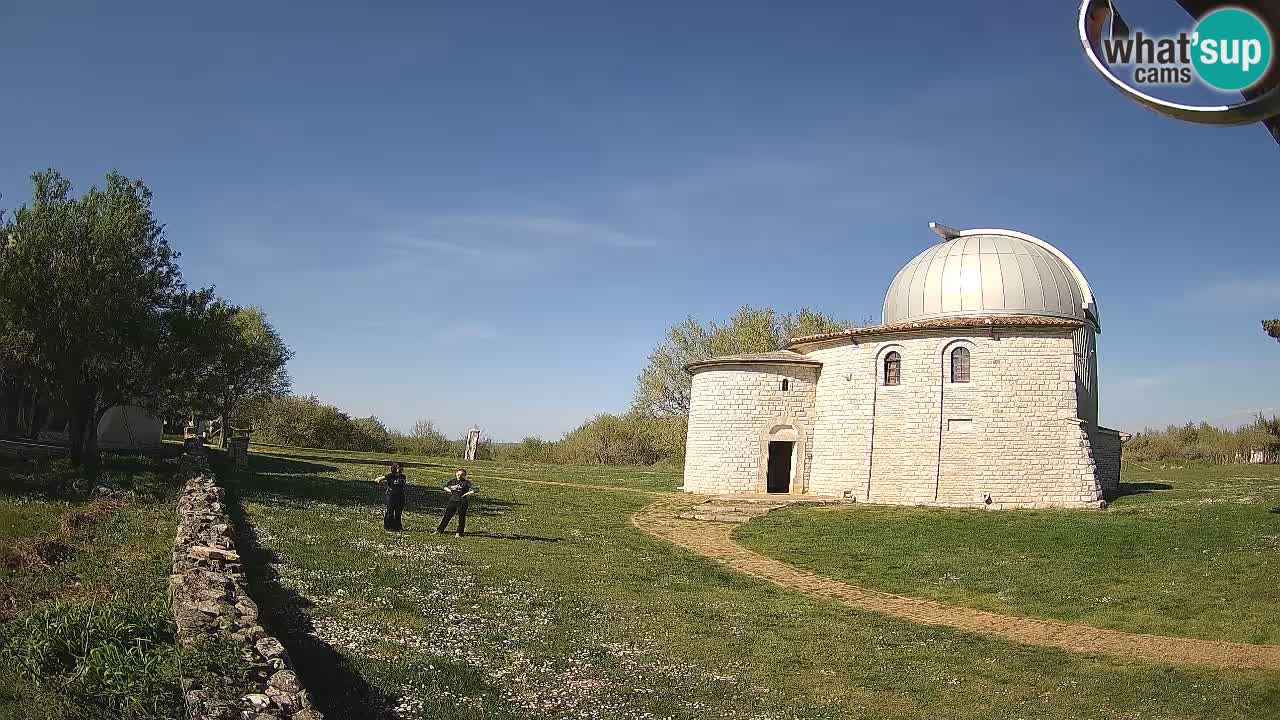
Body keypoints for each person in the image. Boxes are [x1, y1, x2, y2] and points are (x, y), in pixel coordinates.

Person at [436, 468, 477, 537]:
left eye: (462, 475)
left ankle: (459, 533)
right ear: (456, 474)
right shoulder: (452, 481)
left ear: (464, 475)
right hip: (453, 501)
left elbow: (476, 489)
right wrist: (450, 491)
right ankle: (439, 530)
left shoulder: (466, 483)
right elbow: (443, 486)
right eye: (458, 474)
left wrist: (466, 494)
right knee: (447, 516)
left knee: (461, 518)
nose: (459, 476)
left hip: (462, 502)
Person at [374, 462, 408, 531]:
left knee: (398, 512)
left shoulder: (403, 476)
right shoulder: (391, 475)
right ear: (395, 468)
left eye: (402, 468)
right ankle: (388, 527)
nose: (401, 469)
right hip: (391, 495)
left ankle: (398, 527)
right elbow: (377, 479)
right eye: (399, 468)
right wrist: (380, 482)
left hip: (400, 495)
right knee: (390, 511)